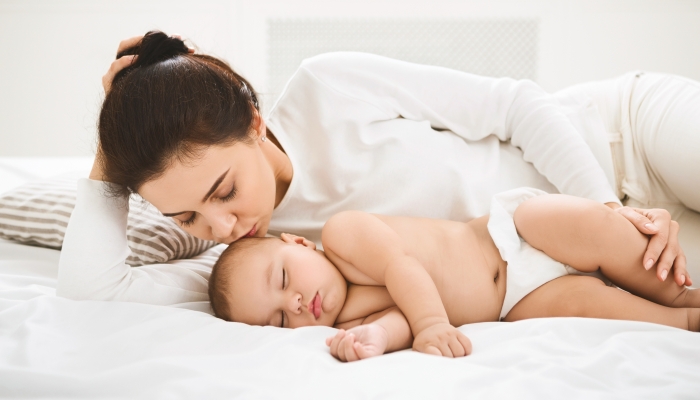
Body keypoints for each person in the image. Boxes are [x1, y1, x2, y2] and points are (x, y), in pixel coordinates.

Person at [58, 31, 696, 304]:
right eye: (187, 215)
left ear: (253, 121)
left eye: (223, 190)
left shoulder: (326, 88)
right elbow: (92, 289)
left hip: (618, 137)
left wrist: (612, 215)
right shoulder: (268, 268)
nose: (220, 225)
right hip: (599, 258)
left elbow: (516, 104)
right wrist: (110, 156)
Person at [207, 188, 700, 362]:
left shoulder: (342, 234)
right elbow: (397, 317)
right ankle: (683, 323)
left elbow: (404, 268)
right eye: (277, 321)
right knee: (600, 312)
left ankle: (679, 297)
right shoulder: (343, 319)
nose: (294, 304)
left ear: (297, 243)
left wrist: (432, 325)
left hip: (518, 235)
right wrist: (373, 337)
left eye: (283, 280)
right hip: (516, 302)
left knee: (593, 229)